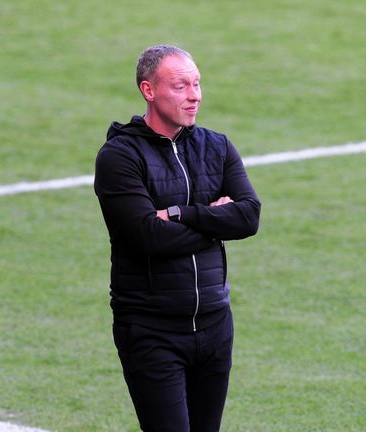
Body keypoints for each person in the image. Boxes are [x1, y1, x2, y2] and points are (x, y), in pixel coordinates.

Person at [93, 44, 261, 432]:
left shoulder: (217, 147)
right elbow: (150, 237)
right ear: (149, 91)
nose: (194, 95)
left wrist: (182, 214)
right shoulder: (119, 157)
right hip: (152, 331)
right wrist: (217, 220)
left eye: (197, 84)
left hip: (216, 325)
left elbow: (249, 216)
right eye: (181, 85)